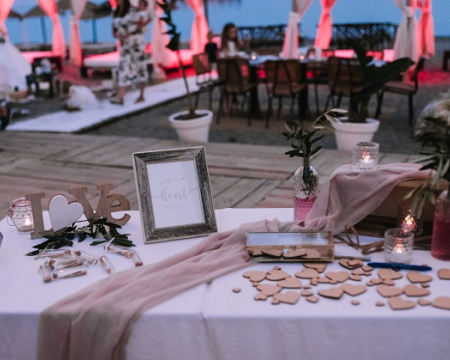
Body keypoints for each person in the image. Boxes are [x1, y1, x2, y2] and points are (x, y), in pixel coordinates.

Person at [111, 0, 151, 105]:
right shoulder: (115, 12)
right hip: (124, 45)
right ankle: (121, 97)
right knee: (123, 66)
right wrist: (119, 36)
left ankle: (141, 95)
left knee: (140, 66)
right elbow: (114, 30)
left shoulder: (133, 10)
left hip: (136, 42)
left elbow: (142, 24)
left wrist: (129, 33)